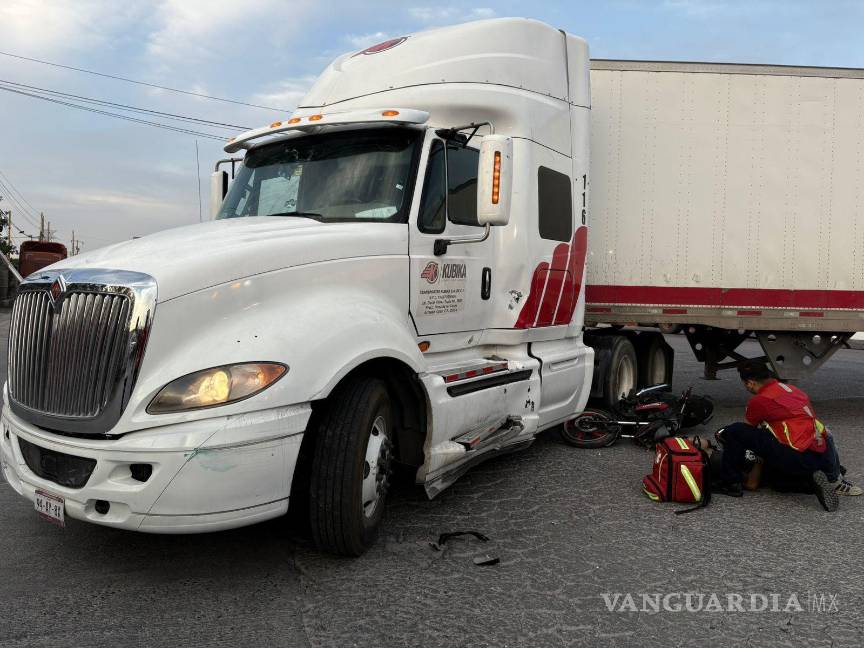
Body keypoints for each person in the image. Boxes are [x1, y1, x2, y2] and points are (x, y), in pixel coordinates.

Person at [715, 359, 861, 511]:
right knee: (778, 483)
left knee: (735, 430)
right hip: (819, 456)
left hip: (796, 456)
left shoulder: (760, 400)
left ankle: (730, 483)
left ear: (750, 383)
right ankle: (813, 482)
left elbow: (748, 430)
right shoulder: (793, 390)